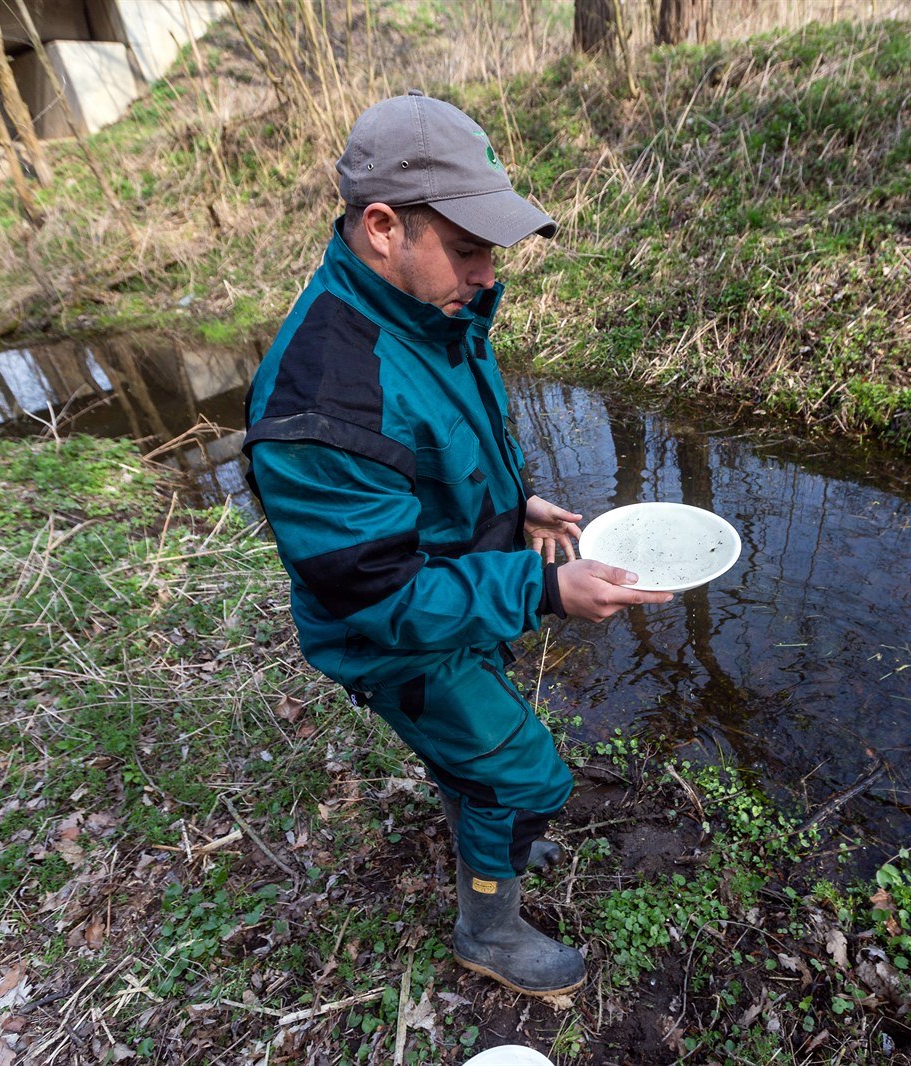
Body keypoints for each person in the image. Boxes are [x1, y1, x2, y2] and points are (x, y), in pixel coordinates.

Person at [243, 91, 672, 997]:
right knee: (528, 777)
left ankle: (488, 822)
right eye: (469, 247)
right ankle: (489, 931)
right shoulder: (323, 400)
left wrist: (517, 508)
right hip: (393, 635)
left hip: (455, 585)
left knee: (480, 765)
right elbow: (381, 599)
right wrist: (544, 589)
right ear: (383, 227)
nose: (487, 273)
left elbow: (438, 453)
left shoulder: (427, 313)